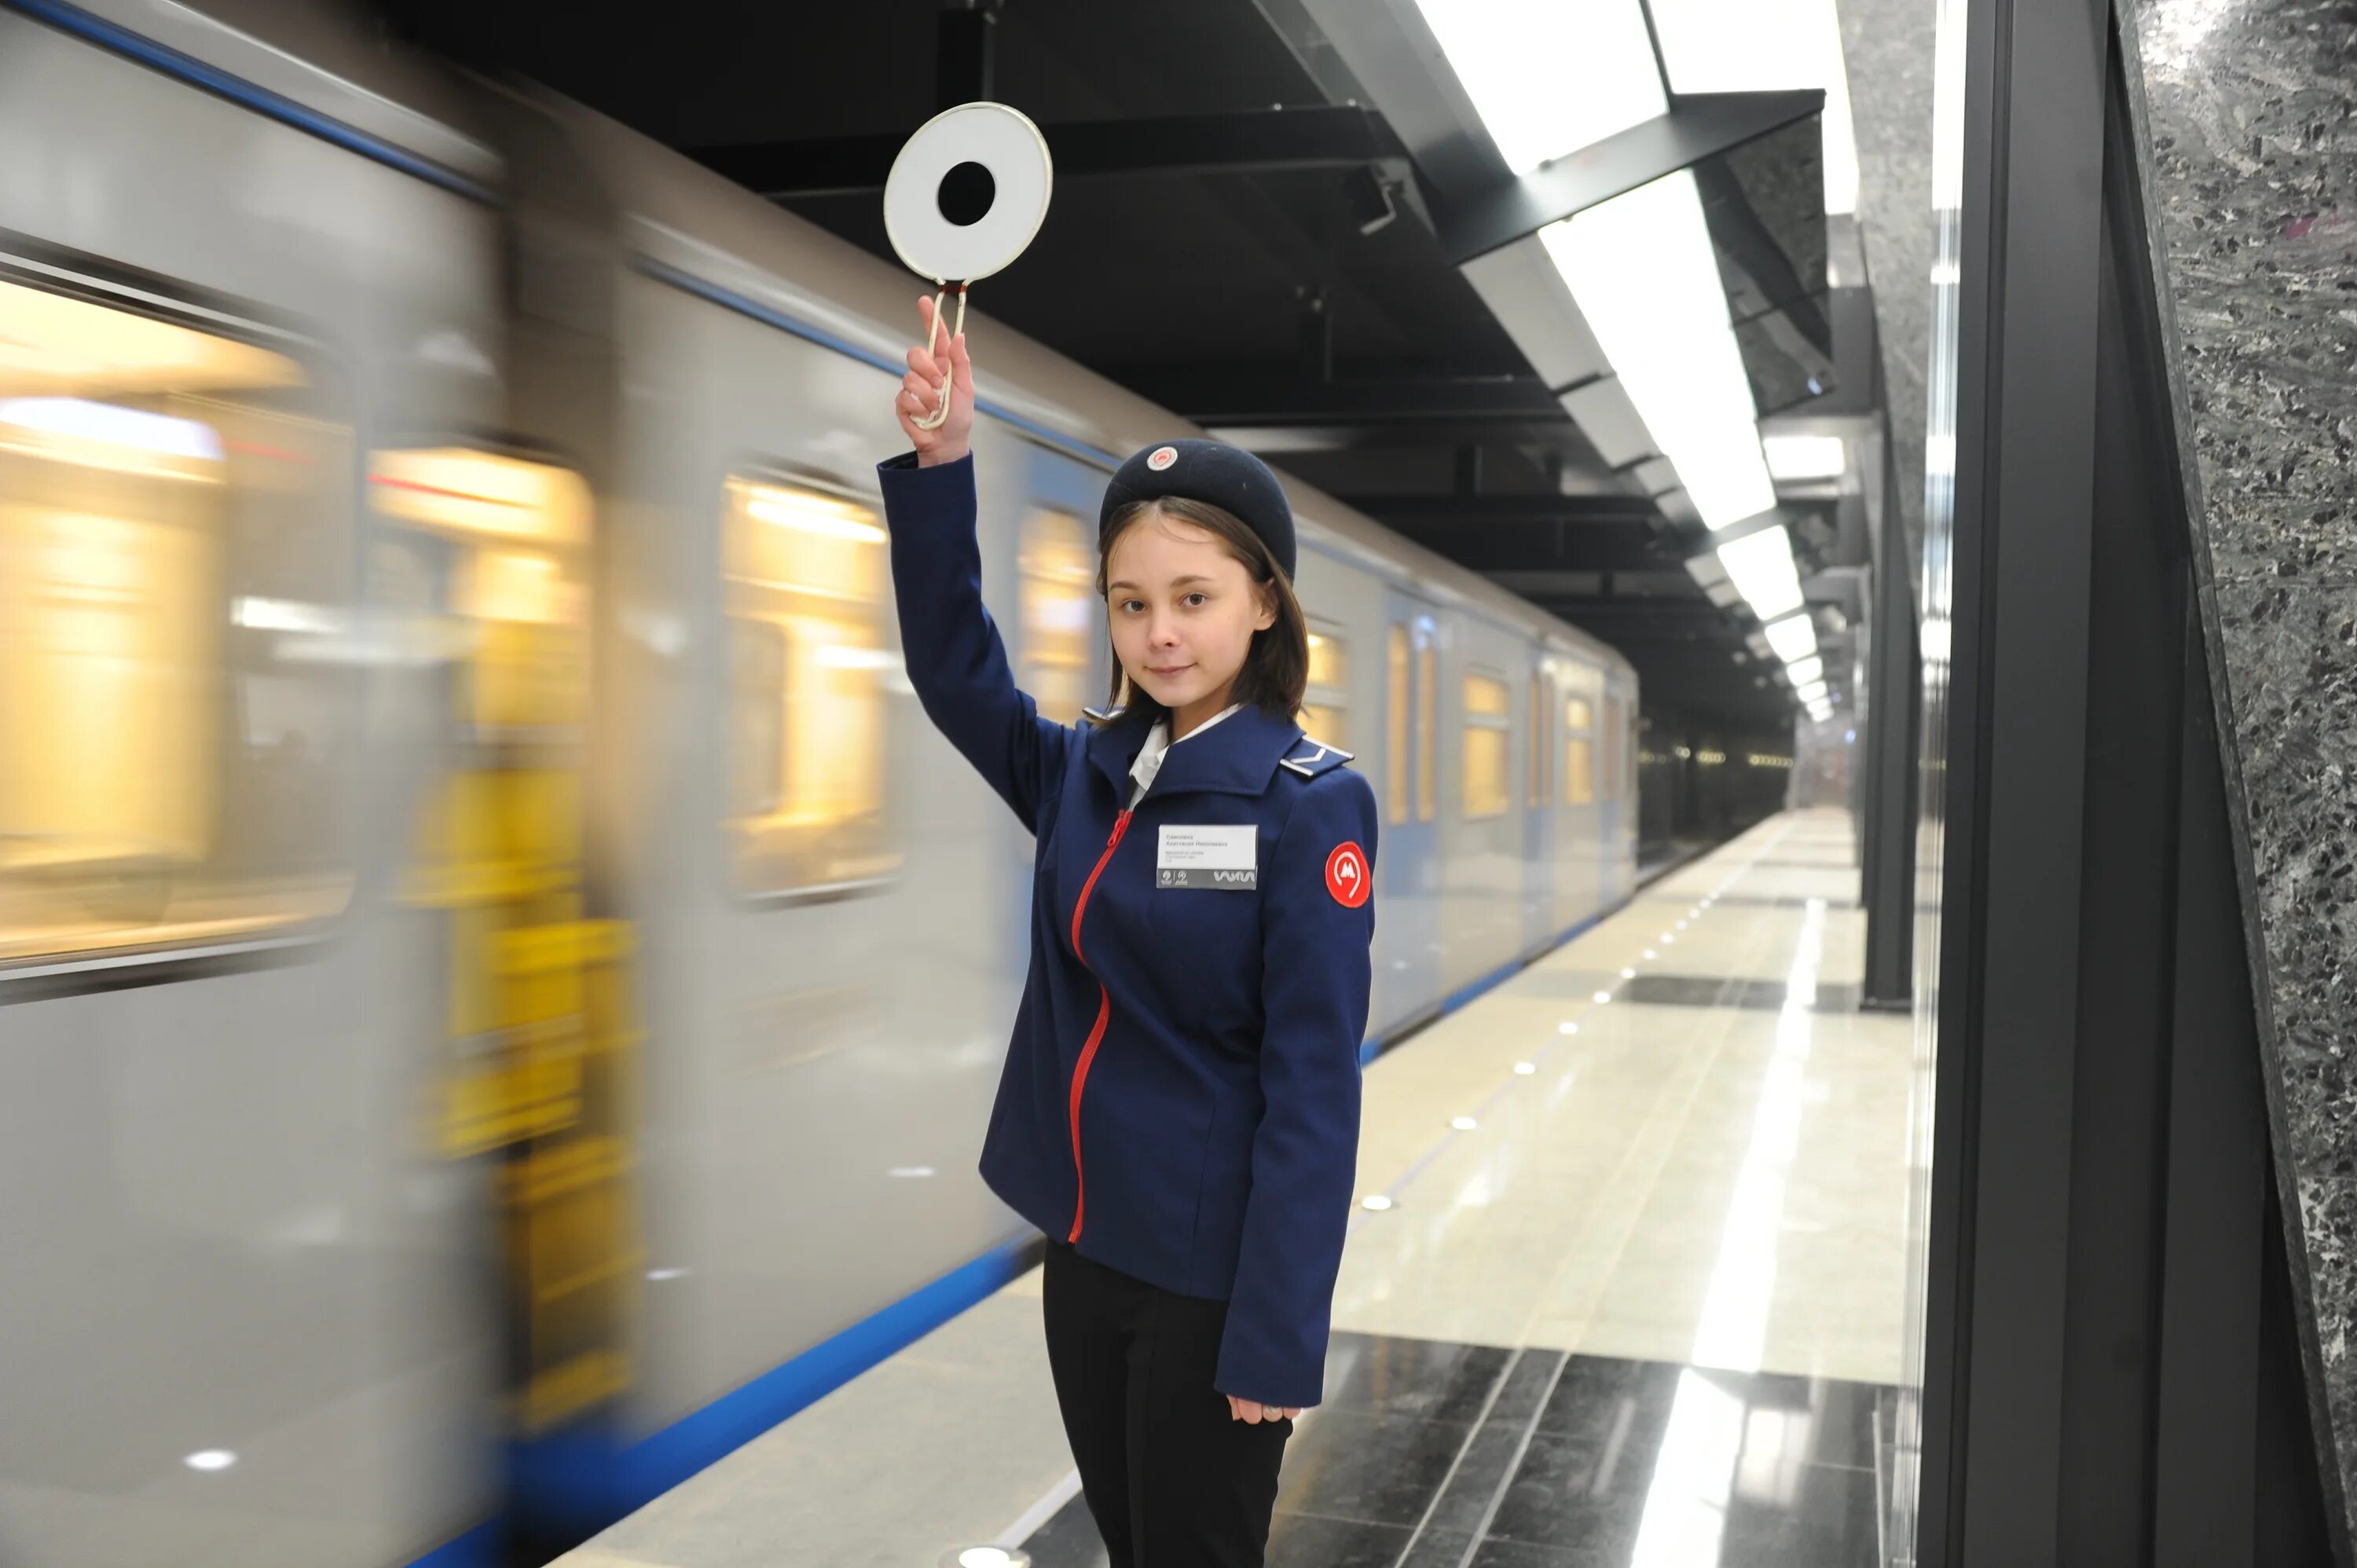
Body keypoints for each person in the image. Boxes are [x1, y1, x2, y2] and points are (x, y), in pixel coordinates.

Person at [878, 296, 1377, 1566]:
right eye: (1131, 601)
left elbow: (1312, 1090)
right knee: (1133, 1544)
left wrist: (1279, 1333)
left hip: (1213, 1284)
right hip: (1086, 1254)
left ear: (1263, 606)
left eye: (1196, 597)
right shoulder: (1086, 775)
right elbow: (955, 673)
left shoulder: (1308, 807)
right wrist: (943, 470)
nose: (1161, 632)